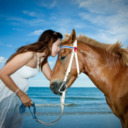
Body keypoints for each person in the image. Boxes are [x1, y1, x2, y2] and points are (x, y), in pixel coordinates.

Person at [0, 29, 63, 128]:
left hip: (19, 94)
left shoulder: (43, 59)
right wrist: (21, 95)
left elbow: (51, 77)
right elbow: (2, 73)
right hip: (7, 91)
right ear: (50, 42)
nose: (59, 49)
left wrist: (62, 58)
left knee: (15, 125)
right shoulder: (29, 54)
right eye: (58, 45)